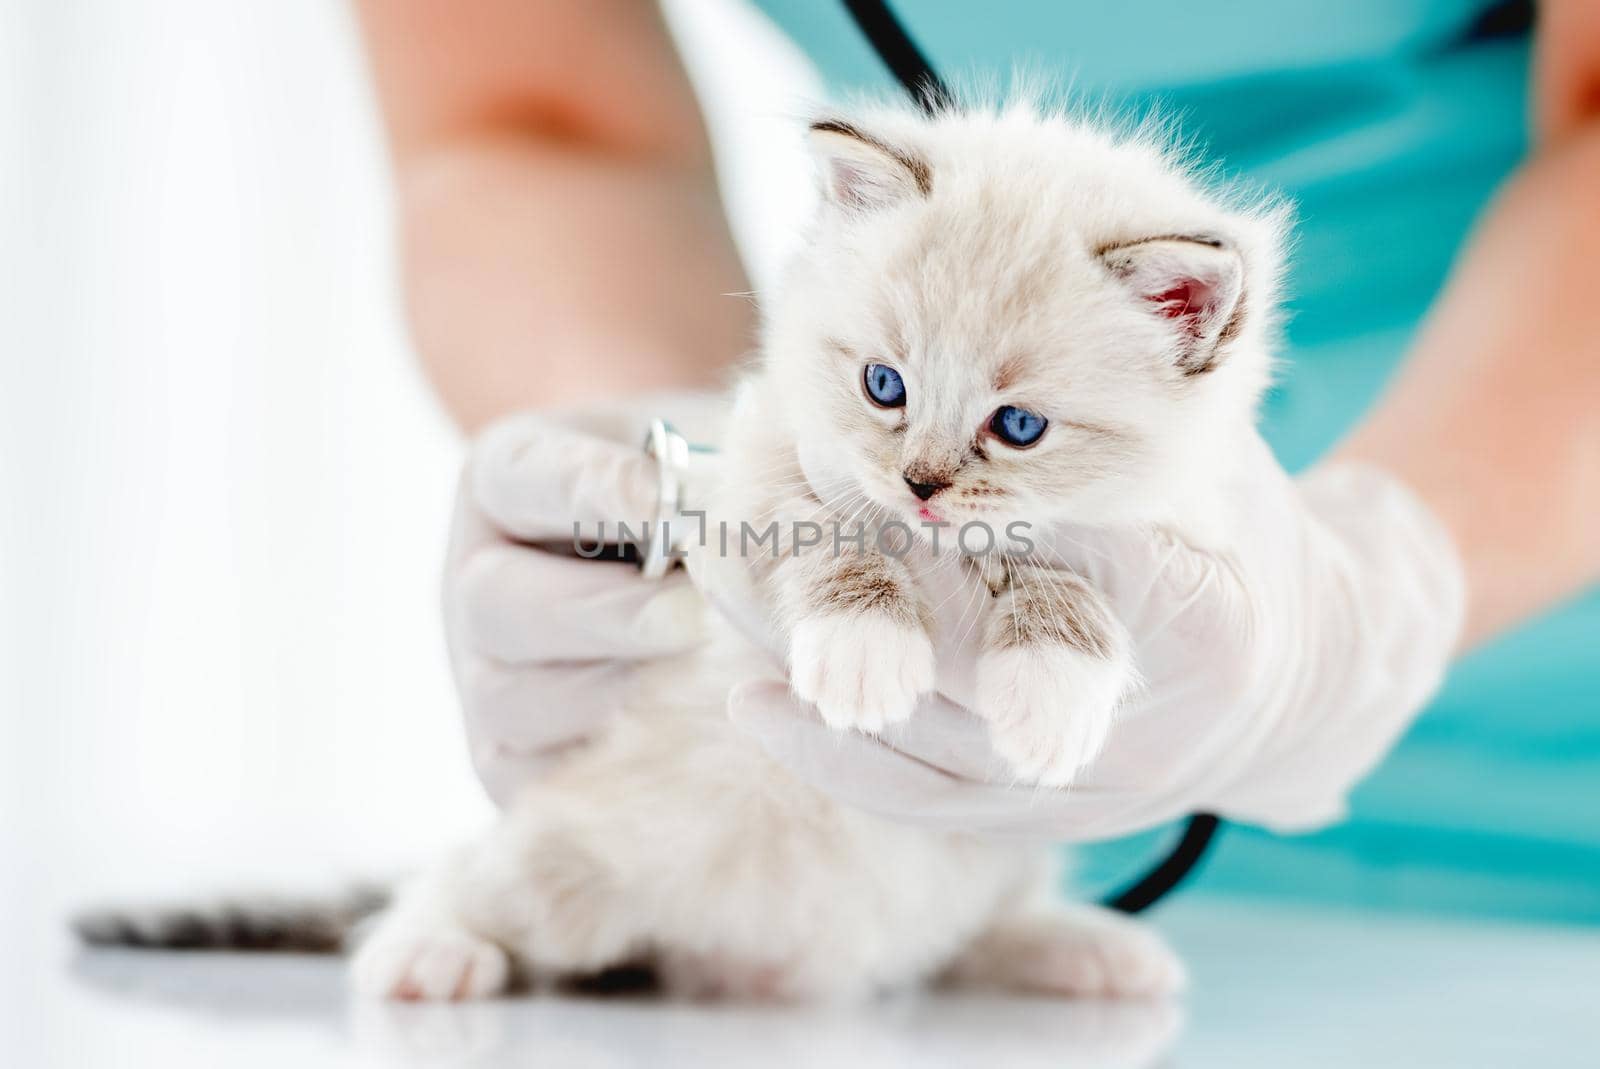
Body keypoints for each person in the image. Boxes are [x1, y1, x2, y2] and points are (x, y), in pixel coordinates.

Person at [352, 2, 1600, 911]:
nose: (925, 482)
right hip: (957, 900)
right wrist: (674, 460)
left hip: (1554, 806)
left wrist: (1371, 596)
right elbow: (532, 121)